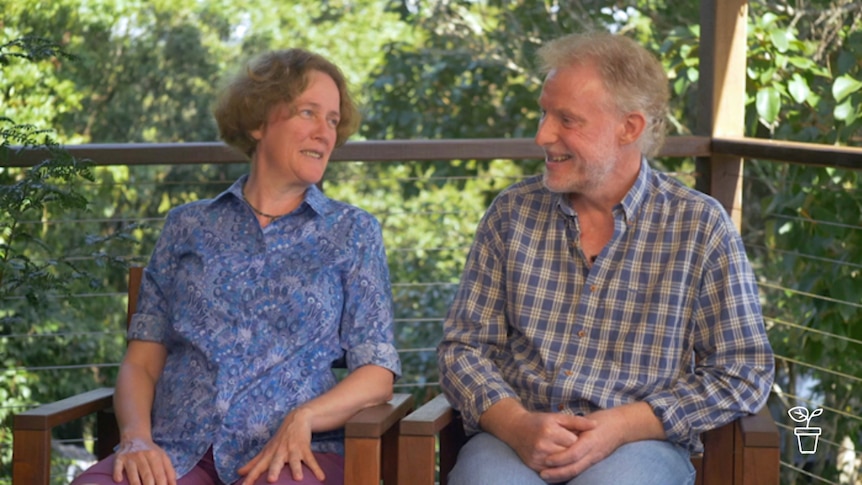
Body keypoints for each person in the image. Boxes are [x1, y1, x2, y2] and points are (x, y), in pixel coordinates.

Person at [437, 31, 774, 485]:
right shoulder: (511, 214)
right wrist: (515, 423)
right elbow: (464, 349)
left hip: (641, 447)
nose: (542, 135)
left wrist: (625, 424)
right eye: (543, 113)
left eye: (567, 120)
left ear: (629, 128)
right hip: (511, 439)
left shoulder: (699, 226)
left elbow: (744, 370)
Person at [72, 48, 401, 485]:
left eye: (334, 120)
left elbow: (376, 374)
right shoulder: (186, 226)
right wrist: (135, 438)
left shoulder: (352, 232)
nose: (325, 133)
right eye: (308, 113)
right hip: (176, 452)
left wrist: (306, 416)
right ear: (257, 122)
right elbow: (142, 362)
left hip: (294, 457)